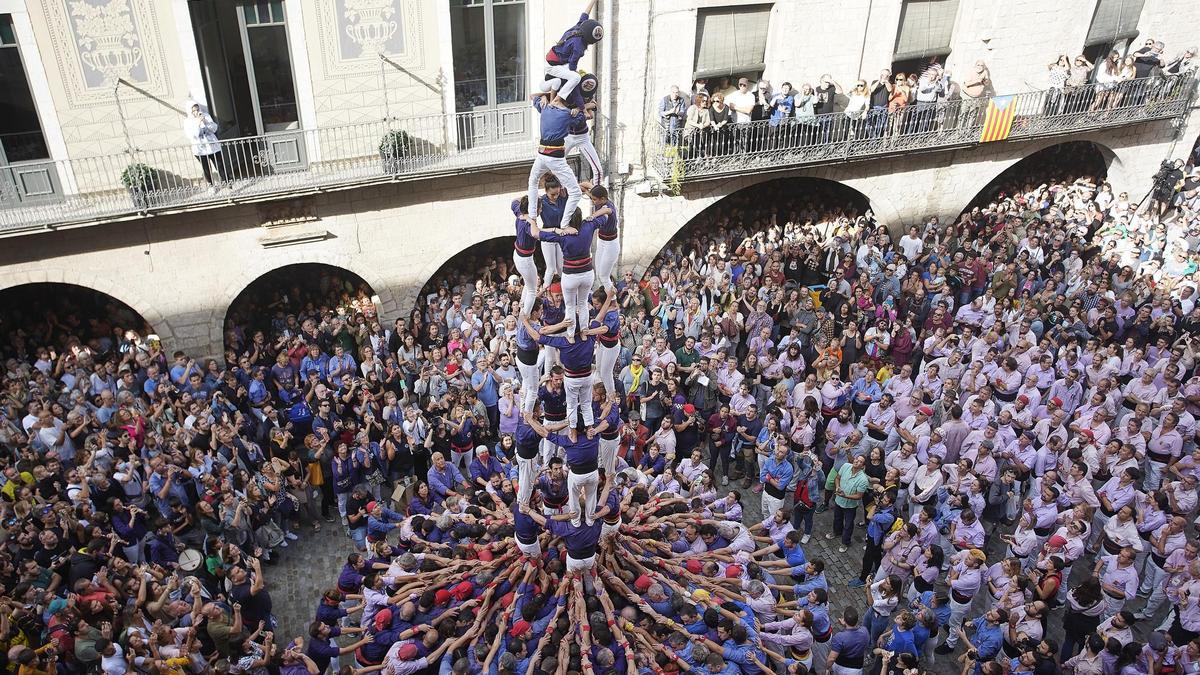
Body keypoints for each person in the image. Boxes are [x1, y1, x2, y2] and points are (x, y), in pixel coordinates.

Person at [539, 0, 602, 103]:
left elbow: (585, 14)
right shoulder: (579, 47)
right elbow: (572, 68)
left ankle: (557, 95)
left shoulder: (579, 27)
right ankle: (557, 100)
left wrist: (593, 1)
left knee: (573, 76)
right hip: (553, 66)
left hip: (554, 59)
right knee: (576, 78)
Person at [183, 100, 228, 191]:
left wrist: (206, 122)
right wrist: (198, 123)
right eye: (193, 111)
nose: (196, 112)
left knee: (220, 166)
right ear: (190, 111)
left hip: (212, 146)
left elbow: (214, 129)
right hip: (200, 149)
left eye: (197, 109)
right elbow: (191, 135)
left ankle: (228, 184)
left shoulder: (205, 115)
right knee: (206, 168)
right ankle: (211, 186)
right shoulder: (188, 121)